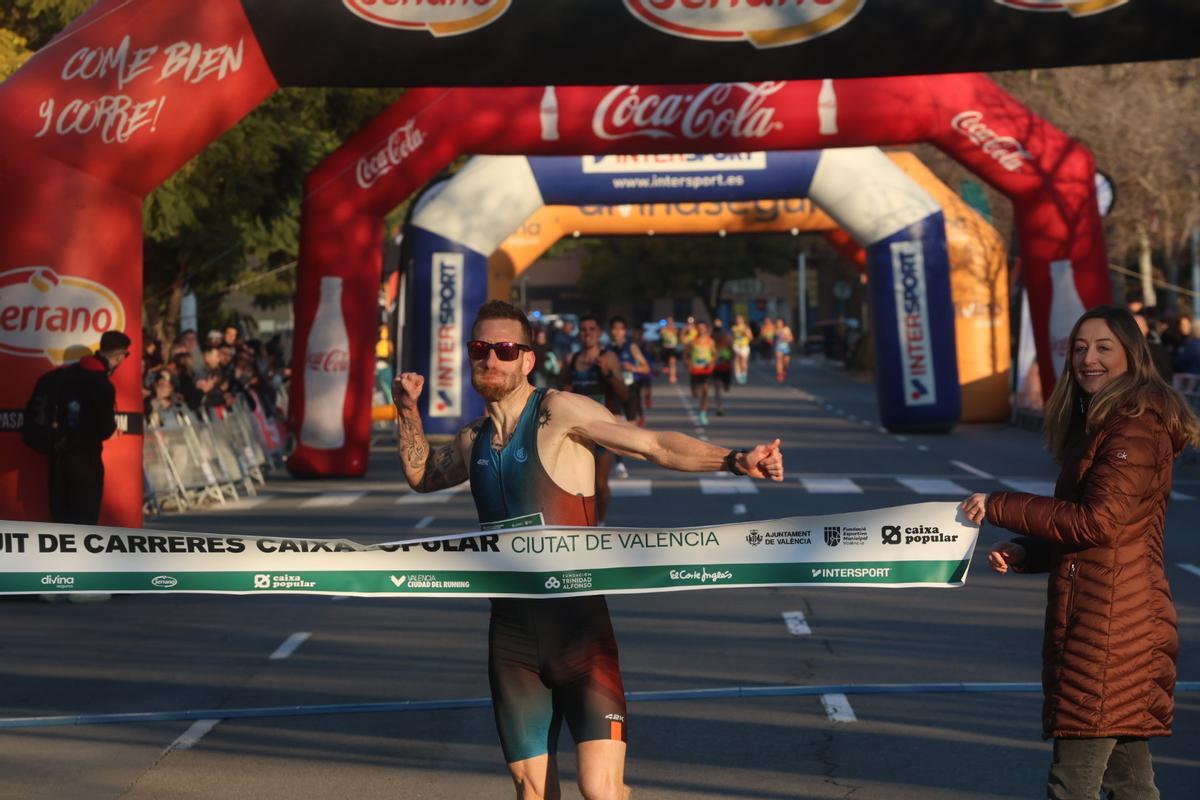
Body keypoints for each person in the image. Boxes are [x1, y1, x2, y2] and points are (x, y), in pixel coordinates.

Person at [394, 299, 784, 800]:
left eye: (505, 349)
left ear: (527, 360)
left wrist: (734, 460)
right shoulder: (474, 440)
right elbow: (422, 475)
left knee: (601, 791)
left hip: (580, 635)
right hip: (512, 642)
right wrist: (406, 408)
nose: (491, 358)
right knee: (532, 794)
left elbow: (653, 445)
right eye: (480, 348)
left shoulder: (559, 412)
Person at [959, 305, 1195, 800]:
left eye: (1104, 347)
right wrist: (1028, 551)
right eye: (1080, 348)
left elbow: (1099, 522)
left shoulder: (1134, 428)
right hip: (1110, 620)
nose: (1089, 359)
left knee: (1072, 785)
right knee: (1131, 784)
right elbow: (1109, 527)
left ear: (1132, 355)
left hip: (1113, 628)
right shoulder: (1113, 422)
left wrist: (999, 504)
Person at [31, 330, 131, 524]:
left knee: (61, 521)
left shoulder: (64, 375)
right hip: (85, 461)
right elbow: (105, 428)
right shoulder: (101, 383)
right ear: (119, 355)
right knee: (84, 521)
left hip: (57, 457)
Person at [559, 314, 627, 525]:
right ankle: (583, 524)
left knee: (600, 484)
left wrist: (607, 374)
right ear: (579, 334)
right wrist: (566, 390)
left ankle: (600, 525)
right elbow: (558, 391)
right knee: (574, 485)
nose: (587, 333)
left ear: (598, 333)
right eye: (583, 329)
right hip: (577, 431)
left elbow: (624, 393)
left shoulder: (609, 358)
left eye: (591, 329)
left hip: (602, 431)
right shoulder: (572, 360)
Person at [684, 320, 716, 426]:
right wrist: (688, 364)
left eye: (703, 328)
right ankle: (701, 408)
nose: (701, 330)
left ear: (706, 329)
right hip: (695, 370)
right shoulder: (693, 341)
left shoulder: (710, 341)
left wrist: (711, 363)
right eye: (699, 328)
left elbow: (715, 354)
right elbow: (686, 353)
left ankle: (703, 412)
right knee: (695, 394)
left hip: (706, 370)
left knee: (706, 390)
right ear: (697, 329)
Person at [712, 325, 734, 416]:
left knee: (726, 388)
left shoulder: (727, 342)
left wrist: (732, 363)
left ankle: (726, 386)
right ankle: (719, 407)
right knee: (717, 387)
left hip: (726, 368)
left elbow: (732, 353)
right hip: (716, 369)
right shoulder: (712, 343)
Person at [731, 314, 752, 384]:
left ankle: (744, 374)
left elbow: (751, 337)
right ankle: (738, 375)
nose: (738, 321)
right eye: (737, 319)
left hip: (744, 346)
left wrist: (745, 333)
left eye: (740, 319)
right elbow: (732, 337)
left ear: (743, 320)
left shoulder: (746, 328)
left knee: (743, 362)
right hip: (736, 345)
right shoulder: (734, 328)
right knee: (737, 360)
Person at [659, 316, 679, 384]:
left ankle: (672, 376)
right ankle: (667, 371)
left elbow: (678, 335)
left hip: (672, 348)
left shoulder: (674, 329)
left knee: (672, 361)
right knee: (666, 365)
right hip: (665, 348)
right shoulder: (664, 329)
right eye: (669, 321)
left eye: (671, 321)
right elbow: (661, 335)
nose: (670, 322)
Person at [773, 317, 794, 383]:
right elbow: (772, 338)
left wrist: (786, 338)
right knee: (779, 360)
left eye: (780, 323)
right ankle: (779, 374)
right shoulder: (775, 329)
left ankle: (784, 370)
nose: (779, 324)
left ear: (783, 323)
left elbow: (791, 338)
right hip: (778, 347)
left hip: (786, 347)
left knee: (786, 362)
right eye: (778, 323)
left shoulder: (786, 329)